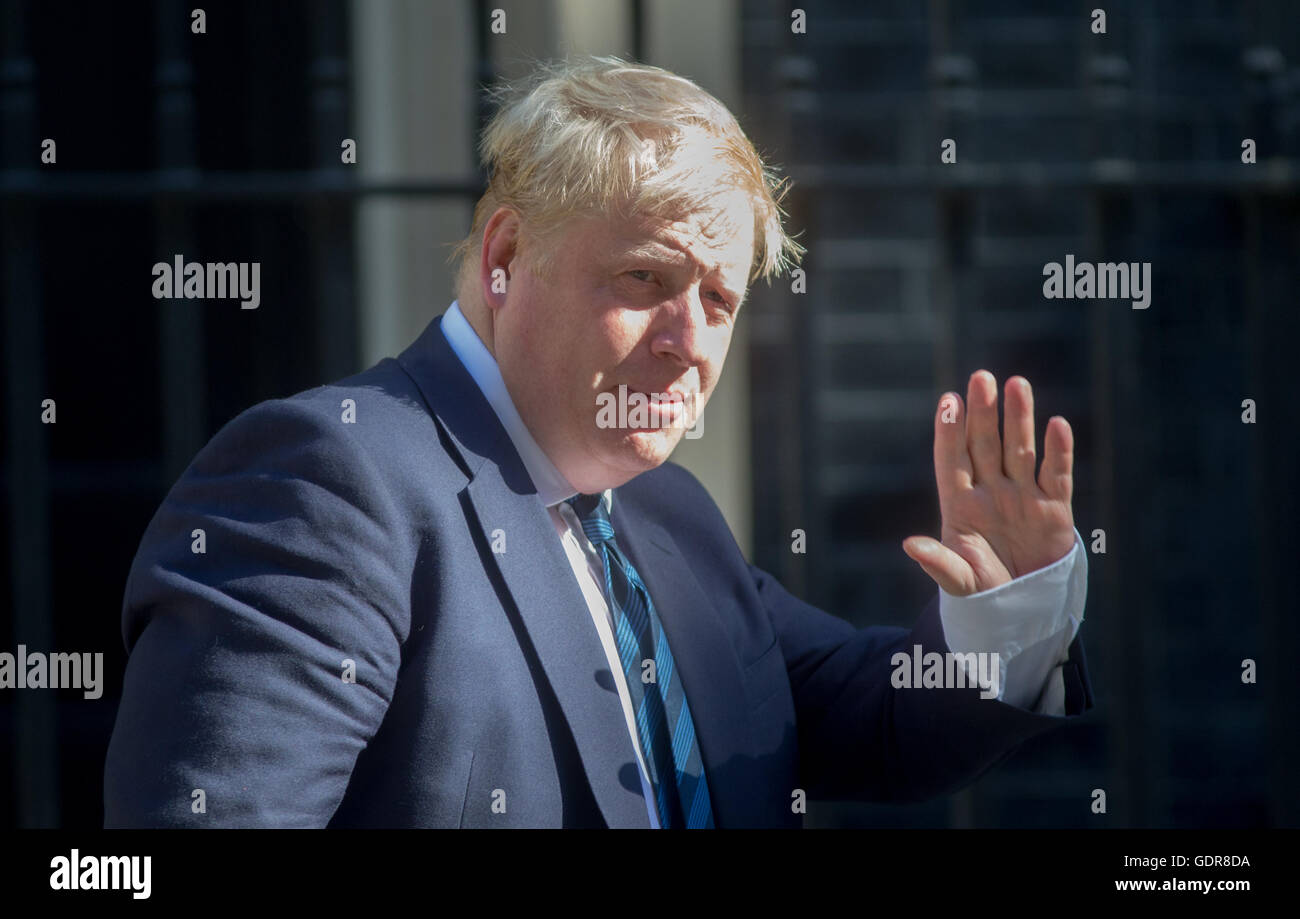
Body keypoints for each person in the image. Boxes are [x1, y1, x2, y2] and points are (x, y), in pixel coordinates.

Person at [104, 55, 1092, 828]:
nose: (689, 344)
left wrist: (1010, 605)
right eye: (646, 281)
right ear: (502, 258)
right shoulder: (327, 479)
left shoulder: (667, 514)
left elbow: (867, 723)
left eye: (717, 299)